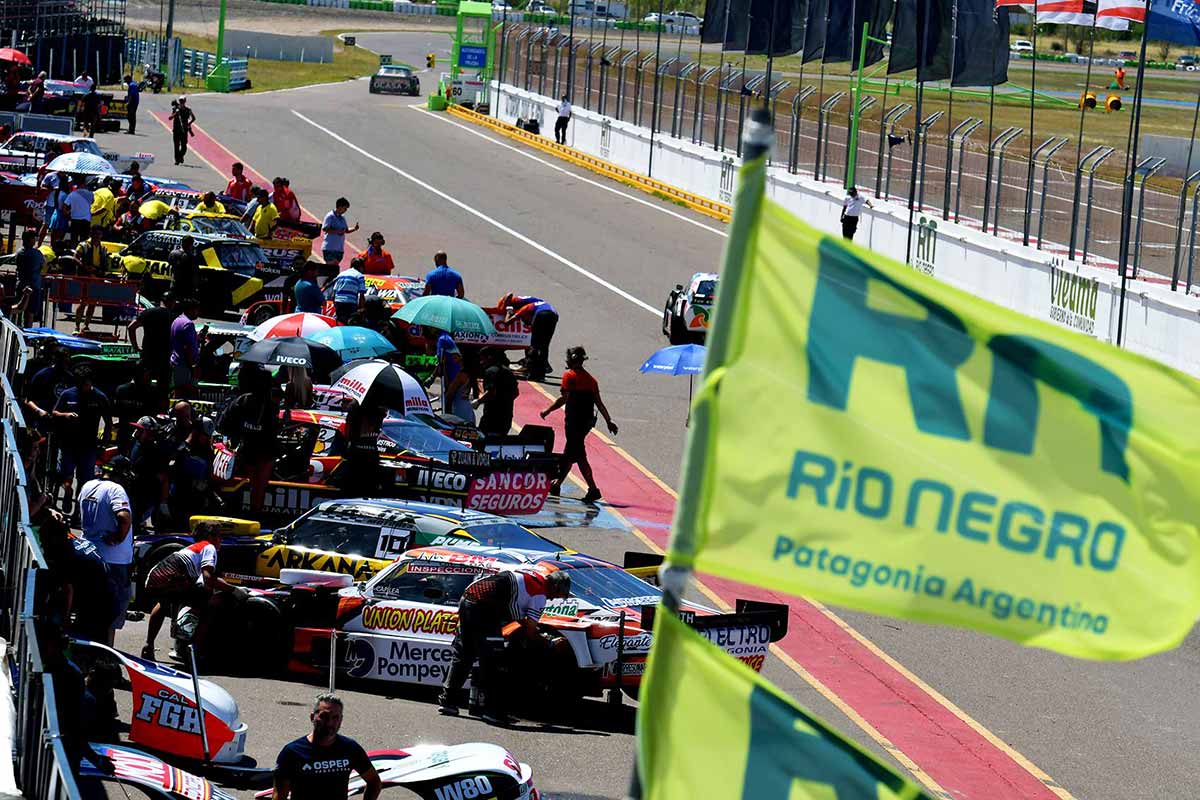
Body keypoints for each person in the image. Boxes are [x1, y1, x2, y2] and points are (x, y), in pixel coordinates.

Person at [438, 569, 571, 723]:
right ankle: (492, 712)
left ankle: (447, 701)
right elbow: (529, 630)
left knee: (464, 653)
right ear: (554, 587)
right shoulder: (540, 594)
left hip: (468, 597)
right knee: (493, 661)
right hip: (484, 608)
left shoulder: (532, 575)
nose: (553, 599)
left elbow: (520, 615)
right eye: (557, 595)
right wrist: (550, 643)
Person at [141, 523, 247, 661]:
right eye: (220, 536)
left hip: (156, 575)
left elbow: (202, 580)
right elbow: (208, 578)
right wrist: (234, 590)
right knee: (207, 603)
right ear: (210, 537)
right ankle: (192, 649)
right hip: (173, 575)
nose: (221, 540)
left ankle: (149, 645)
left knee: (164, 603)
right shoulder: (209, 547)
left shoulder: (194, 548)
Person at [540, 346, 617, 504]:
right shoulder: (591, 380)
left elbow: (564, 399)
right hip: (586, 423)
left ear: (571, 360)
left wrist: (547, 410)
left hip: (574, 423)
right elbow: (599, 404)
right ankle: (557, 484)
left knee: (577, 455)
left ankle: (593, 489)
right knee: (572, 452)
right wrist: (609, 421)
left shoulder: (569, 377)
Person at [272, 694, 382, 800]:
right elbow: (279, 795)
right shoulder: (292, 752)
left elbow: (374, 782)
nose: (329, 723)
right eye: (324, 716)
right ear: (312, 717)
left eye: (335, 717)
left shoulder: (350, 748)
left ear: (341, 720)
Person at [77, 456, 134, 646]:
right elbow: (124, 517)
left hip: (89, 553)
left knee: (88, 609)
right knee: (111, 614)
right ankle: (107, 655)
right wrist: (118, 537)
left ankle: (85, 652)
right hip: (113, 561)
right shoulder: (116, 489)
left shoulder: (87, 486)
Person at [40, 510, 113, 644]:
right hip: (109, 594)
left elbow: (68, 590)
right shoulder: (76, 540)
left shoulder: (66, 554)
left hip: (99, 602)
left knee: (87, 644)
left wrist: (65, 620)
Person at [217, 365, 279, 514]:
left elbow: (223, 424)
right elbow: (274, 430)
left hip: (252, 450)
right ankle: (254, 513)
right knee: (259, 487)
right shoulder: (269, 405)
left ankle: (251, 512)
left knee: (254, 485)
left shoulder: (243, 401)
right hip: (261, 452)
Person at [52, 366, 112, 510]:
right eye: (79, 383)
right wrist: (65, 415)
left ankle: (78, 510)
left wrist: (103, 444)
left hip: (89, 446)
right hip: (68, 444)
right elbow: (54, 412)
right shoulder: (68, 394)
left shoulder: (100, 397)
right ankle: (67, 491)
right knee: (66, 475)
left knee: (84, 480)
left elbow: (109, 422)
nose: (82, 387)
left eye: (85, 383)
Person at [503, 294, 558, 380]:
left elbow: (507, 322)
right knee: (544, 346)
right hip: (554, 315)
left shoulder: (524, 309)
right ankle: (541, 373)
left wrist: (509, 312)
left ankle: (533, 373)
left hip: (542, 316)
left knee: (534, 346)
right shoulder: (539, 304)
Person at [128, 292, 175, 391]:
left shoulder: (148, 313)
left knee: (143, 387)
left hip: (147, 355)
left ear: (161, 301)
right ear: (172, 302)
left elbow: (131, 327)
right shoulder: (173, 317)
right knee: (162, 389)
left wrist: (135, 346)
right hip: (164, 357)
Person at [475, 348, 518, 437]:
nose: (481, 362)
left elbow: (491, 392)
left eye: (482, 359)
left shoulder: (490, 372)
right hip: (506, 417)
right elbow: (516, 393)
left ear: (489, 358)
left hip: (491, 418)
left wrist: (478, 402)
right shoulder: (508, 372)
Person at [435, 330, 475, 424]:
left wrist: (443, 368)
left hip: (459, 411)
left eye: (455, 356)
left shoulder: (461, 375)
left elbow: (449, 394)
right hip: (467, 410)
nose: (453, 359)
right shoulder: (470, 373)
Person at [73, 226, 107, 333]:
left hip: (96, 278)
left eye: (99, 234)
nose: (97, 236)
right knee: (83, 302)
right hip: (85, 277)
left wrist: (99, 272)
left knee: (93, 304)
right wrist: (85, 267)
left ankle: (86, 325)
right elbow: (75, 258)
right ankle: (77, 326)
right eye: (95, 234)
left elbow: (105, 264)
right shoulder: (83, 245)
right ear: (91, 234)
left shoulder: (103, 248)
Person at [170, 298, 201, 399]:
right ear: (190, 310)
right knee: (186, 392)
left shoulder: (177, 320)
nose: (197, 313)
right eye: (196, 310)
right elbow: (187, 346)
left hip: (176, 362)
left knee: (178, 391)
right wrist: (193, 366)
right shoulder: (188, 324)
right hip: (185, 365)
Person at [13, 229, 45, 328]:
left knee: (18, 311)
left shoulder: (18, 252)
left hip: (21, 285)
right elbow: (43, 265)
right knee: (30, 314)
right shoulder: (37, 253)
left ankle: (16, 333)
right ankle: (27, 336)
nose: (35, 240)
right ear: (29, 239)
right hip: (33, 287)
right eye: (33, 238)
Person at [321, 197, 358, 266]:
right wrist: (338, 232)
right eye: (345, 208)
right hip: (330, 248)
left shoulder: (342, 217)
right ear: (340, 207)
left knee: (334, 268)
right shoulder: (330, 216)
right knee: (331, 268)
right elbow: (325, 229)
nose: (346, 210)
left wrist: (354, 228)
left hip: (339, 249)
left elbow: (346, 230)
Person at [331, 257, 367, 323]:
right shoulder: (359, 276)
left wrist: (336, 305)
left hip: (338, 302)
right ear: (361, 267)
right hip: (350, 304)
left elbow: (334, 293)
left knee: (340, 322)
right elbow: (361, 295)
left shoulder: (340, 274)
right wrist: (362, 309)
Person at [169, 235, 201, 300]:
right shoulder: (191, 257)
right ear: (190, 244)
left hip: (174, 283)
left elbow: (170, 262)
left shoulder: (173, 253)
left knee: (173, 303)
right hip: (187, 286)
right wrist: (196, 287)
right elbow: (195, 273)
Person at [65, 177, 94, 245]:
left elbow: (65, 206)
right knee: (84, 239)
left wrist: (68, 214)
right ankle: (82, 252)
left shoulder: (72, 194)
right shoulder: (90, 194)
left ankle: (73, 252)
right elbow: (92, 201)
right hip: (86, 219)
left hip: (75, 219)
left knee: (74, 238)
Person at [170, 97, 196, 165]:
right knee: (176, 146)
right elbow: (170, 118)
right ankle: (177, 160)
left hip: (184, 130)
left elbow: (193, 118)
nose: (181, 102)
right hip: (176, 130)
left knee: (184, 146)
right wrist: (176, 113)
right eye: (180, 101)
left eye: (182, 101)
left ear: (185, 101)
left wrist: (188, 124)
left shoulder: (188, 110)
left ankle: (180, 156)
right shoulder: (175, 109)